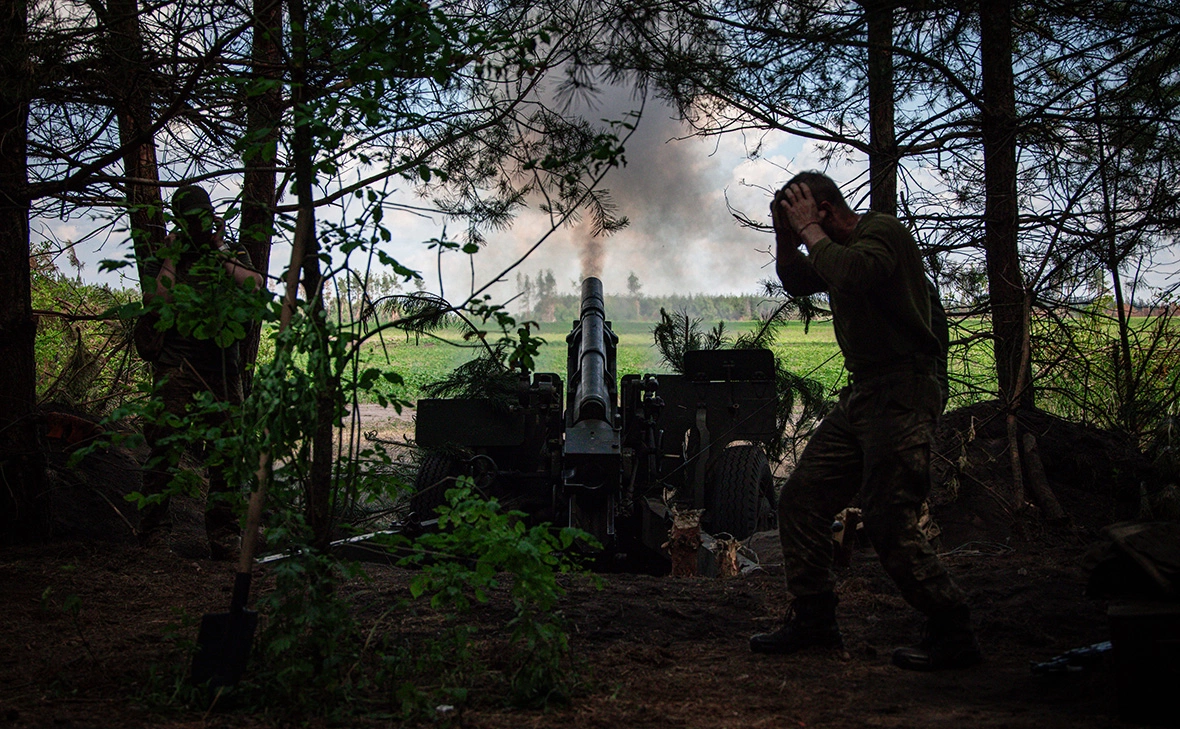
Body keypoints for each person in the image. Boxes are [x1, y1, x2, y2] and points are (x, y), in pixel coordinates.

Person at [749, 171, 981, 671]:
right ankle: (814, 619)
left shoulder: (881, 233)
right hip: (864, 395)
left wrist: (808, 230)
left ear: (825, 211)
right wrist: (786, 238)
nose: (801, 230)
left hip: (903, 391)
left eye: (801, 217)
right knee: (801, 500)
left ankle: (952, 627)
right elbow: (799, 281)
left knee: (888, 517)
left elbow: (854, 273)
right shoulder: (834, 250)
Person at [137, 185, 264, 559]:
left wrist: (219, 250)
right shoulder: (165, 259)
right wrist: (172, 258)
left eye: (204, 219)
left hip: (222, 370)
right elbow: (156, 303)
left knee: (227, 455)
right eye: (192, 220)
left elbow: (254, 286)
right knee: (164, 449)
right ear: (180, 222)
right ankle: (153, 533)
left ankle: (224, 537)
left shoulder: (230, 253)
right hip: (177, 366)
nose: (199, 226)